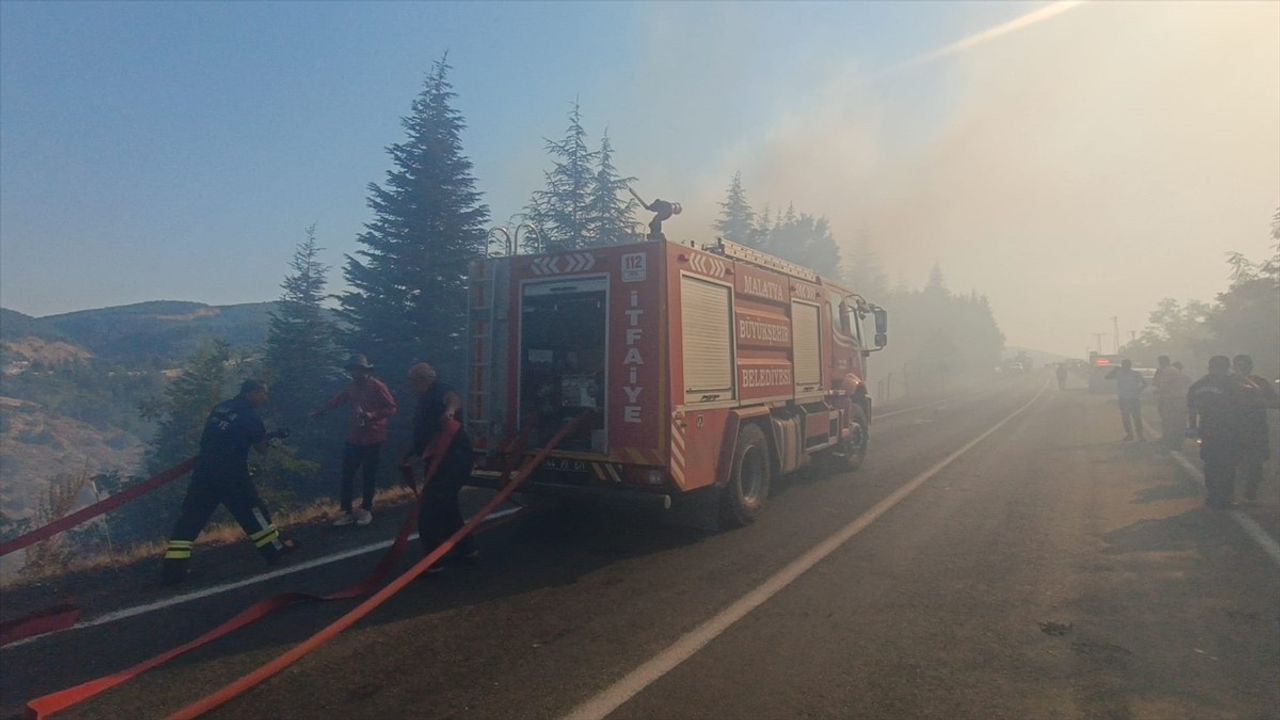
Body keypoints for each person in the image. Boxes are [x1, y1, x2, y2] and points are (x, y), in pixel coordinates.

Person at [162, 380, 294, 585]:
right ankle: (274, 550)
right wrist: (273, 438)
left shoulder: (221, 407)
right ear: (252, 393)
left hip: (204, 472)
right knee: (253, 511)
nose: (265, 399)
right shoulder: (251, 418)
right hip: (232, 474)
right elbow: (261, 448)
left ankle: (173, 571)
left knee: (190, 519)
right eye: (263, 394)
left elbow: (219, 436)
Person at [402, 363, 476, 567]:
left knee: (430, 508)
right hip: (441, 459)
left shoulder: (440, 390)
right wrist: (411, 452)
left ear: (424, 380)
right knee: (448, 504)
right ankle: (466, 547)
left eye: (413, 381)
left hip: (453, 459)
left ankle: (433, 560)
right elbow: (428, 431)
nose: (410, 386)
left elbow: (453, 399)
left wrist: (450, 411)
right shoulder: (425, 399)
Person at [312, 354, 398, 526]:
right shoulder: (352, 387)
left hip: (373, 437)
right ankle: (346, 511)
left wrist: (371, 415)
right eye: (352, 370)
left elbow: (391, 408)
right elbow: (340, 399)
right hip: (355, 436)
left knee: (368, 474)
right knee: (348, 474)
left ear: (365, 370)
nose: (354, 373)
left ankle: (366, 509)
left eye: (357, 370)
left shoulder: (377, 386)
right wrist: (322, 411)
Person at [1188, 356, 1244, 509]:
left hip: (1207, 430)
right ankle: (1226, 497)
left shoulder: (1198, 385)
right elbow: (1240, 408)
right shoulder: (1232, 384)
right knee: (1228, 464)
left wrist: (1193, 428)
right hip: (1229, 430)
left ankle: (1213, 496)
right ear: (1226, 368)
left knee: (1211, 463)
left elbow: (1192, 410)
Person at [1232, 354, 1278, 503]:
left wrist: (1261, 402)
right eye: (1239, 365)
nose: (1242, 368)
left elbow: (1276, 402)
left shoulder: (1260, 382)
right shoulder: (1227, 382)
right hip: (1233, 427)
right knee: (1233, 459)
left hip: (1256, 427)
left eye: (1245, 365)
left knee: (1257, 460)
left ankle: (1251, 487)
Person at [1152, 356, 1189, 450]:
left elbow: (1162, 385)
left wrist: (1158, 377)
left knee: (1171, 421)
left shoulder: (1168, 371)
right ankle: (1170, 440)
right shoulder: (1169, 370)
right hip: (1172, 398)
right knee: (1170, 421)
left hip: (1172, 399)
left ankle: (1173, 442)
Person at [1105, 358, 1147, 441]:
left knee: (1134, 417)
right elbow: (1107, 377)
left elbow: (1145, 383)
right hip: (1126, 398)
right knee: (1128, 417)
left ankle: (1137, 435)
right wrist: (1114, 370)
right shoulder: (1121, 373)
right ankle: (1132, 435)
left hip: (1131, 398)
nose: (1125, 367)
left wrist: (1139, 390)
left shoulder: (1134, 374)